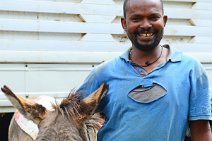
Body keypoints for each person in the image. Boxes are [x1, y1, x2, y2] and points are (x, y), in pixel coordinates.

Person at [77, 0, 212, 140]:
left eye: (153, 17)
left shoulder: (190, 69)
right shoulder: (102, 74)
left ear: (164, 20)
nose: (146, 25)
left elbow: (201, 129)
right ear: (124, 24)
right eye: (136, 18)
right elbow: (69, 118)